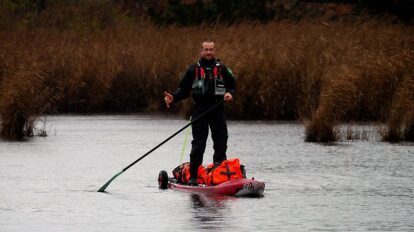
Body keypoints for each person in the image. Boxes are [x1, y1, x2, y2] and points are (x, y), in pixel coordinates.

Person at [164, 41, 236, 186]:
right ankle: (194, 176)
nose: (208, 52)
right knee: (198, 144)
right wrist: (173, 98)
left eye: (211, 50)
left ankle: (219, 174)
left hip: (217, 110)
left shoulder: (222, 69)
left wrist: (229, 93)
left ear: (215, 50)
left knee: (221, 142)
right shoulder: (193, 70)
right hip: (200, 111)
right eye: (206, 50)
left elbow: (233, 86)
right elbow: (183, 91)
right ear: (201, 51)